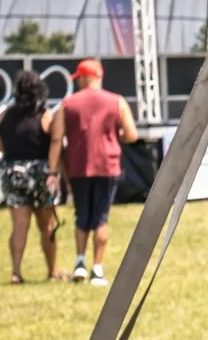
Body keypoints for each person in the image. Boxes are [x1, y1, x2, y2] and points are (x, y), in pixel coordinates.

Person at [51, 58, 136, 284]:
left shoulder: (67, 104)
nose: (78, 83)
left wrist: (53, 170)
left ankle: (80, 263)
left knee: (82, 216)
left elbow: (57, 137)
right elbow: (131, 134)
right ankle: (97, 268)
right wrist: (113, 137)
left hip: (78, 167)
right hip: (107, 165)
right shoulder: (117, 101)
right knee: (101, 217)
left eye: (79, 79)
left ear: (86, 77)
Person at [2, 68, 63, 283]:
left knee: (19, 224)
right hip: (41, 173)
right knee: (46, 224)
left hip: (12, 172)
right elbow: (56, 142)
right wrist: (53, 172)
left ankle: (16, 272)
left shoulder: (5, 115)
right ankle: (52, 271)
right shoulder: (46, 115)